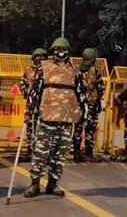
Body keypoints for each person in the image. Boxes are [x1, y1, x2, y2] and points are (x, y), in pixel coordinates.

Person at [24, 37, 86, 197]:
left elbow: (80, 95)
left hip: (66, 120)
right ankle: (34, 184)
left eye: (64, 49)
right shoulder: (43, 68)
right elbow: (34, 91)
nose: (61, 52)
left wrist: (82, 117)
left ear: (69, 51)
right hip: (47, 118)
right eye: (58, 49)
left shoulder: (76, 71)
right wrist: (29, 111)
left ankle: (53, 184)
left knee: (60, 155)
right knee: (40, 153)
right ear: (53, 51)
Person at [73, 48, 105, 163]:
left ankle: (76, 154)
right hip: (91, 106)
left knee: (77, 129)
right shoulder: (96, 73)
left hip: (79, 105)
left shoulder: (77, 71)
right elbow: (101, 89)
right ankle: (89, 154)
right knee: (90, 130)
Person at [20, 48, 48, 160]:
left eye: (42, 56)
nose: (39, 59)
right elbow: (22, 84)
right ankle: (30, 151)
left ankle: (43, 153)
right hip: (32, 105)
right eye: (37, 56)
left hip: (45, 105)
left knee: (44, 129)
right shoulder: (28, 71)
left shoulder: (49, 70)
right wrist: (29, 94)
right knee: (31, 128)